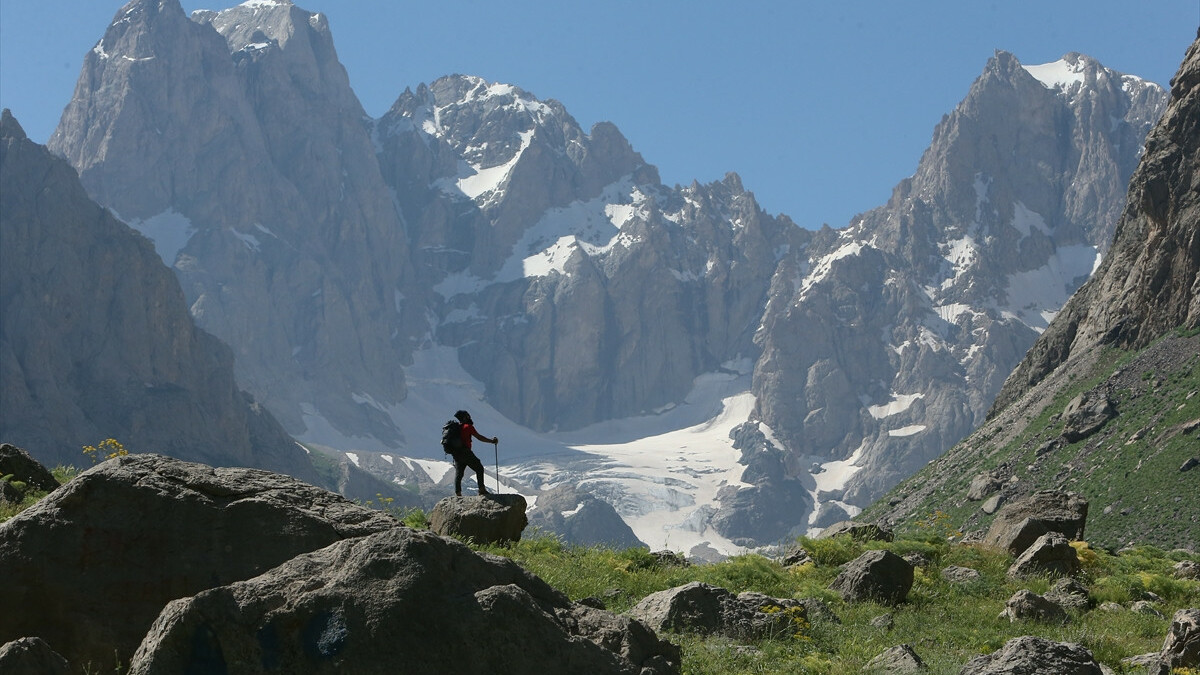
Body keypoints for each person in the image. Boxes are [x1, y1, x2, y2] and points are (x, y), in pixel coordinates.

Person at [450, 410, 497, 496]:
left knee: (459, 473)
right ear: (464, 417)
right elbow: (479, 437)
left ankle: (458, 493)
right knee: (479, 468)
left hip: (456, 453)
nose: (470, 417)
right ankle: (481, 490)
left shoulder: (456, 428)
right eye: (468, 416)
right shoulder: (468, 427)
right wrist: (491, 441)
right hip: (466, 452)